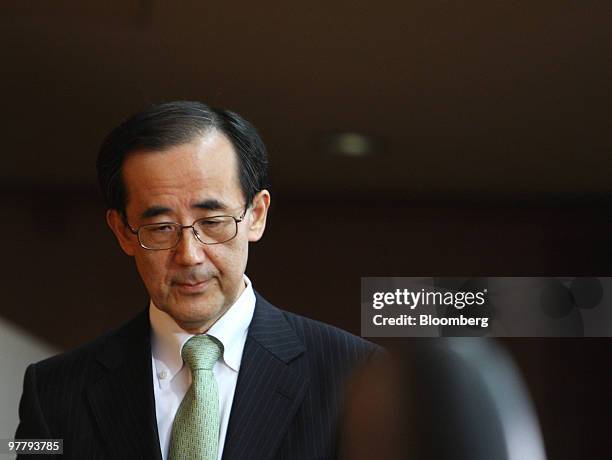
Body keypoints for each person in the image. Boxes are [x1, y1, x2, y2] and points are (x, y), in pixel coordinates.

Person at [15, 101, 379, 460]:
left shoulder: (357, 376)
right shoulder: (53, 393)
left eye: (213, 222)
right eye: (160, 228)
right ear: (123, 232)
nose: (189, 254)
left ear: (256, 215)